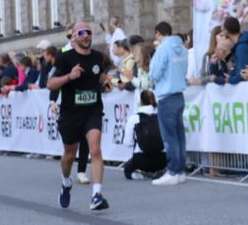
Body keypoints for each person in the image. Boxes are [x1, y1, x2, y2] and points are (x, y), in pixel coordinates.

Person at [47, 22, 110, 211]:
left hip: (92, 110)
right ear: (74, 37)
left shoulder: (98, 57)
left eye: (88, 32)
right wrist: (69, 77)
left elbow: (101, 77)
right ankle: (66, 182)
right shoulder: (64, 58)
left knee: (96, 149)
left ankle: (97, 195)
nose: (85, 36)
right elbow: (50, 84)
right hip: (70, 113)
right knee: (69, 155)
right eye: (81, 33)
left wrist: (106, 83)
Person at [148, 21, 189, 187]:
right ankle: (179, 171)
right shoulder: (183, 49)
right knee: (179, 136)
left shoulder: (163, 49)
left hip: (166, 95)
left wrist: (152, 78)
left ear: (159, 33)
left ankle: (173, 171)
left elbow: (155, 73)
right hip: (179, 94)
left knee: (169, 136)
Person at [122, 90, 167, 179]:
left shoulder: (134, 118)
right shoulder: (162, 117)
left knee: (127, 169)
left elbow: (128, 143)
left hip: (141, 159)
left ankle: (142, 174)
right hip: (161, 160)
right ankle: (159, 173)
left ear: (141, 102)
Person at [221, 17, 248, 84]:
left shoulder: (242, 47)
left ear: (227, 31)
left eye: (223, 30)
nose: (222, 33)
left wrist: (230, 79)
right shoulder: (240, 45)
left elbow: (242, 73)